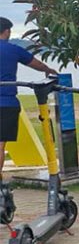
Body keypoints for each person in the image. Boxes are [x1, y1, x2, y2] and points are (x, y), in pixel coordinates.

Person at [1, 17, 57, 179]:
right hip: (6, 102)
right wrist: (48, 69)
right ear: (7, 31)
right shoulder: (12, 49)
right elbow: (35, 63)